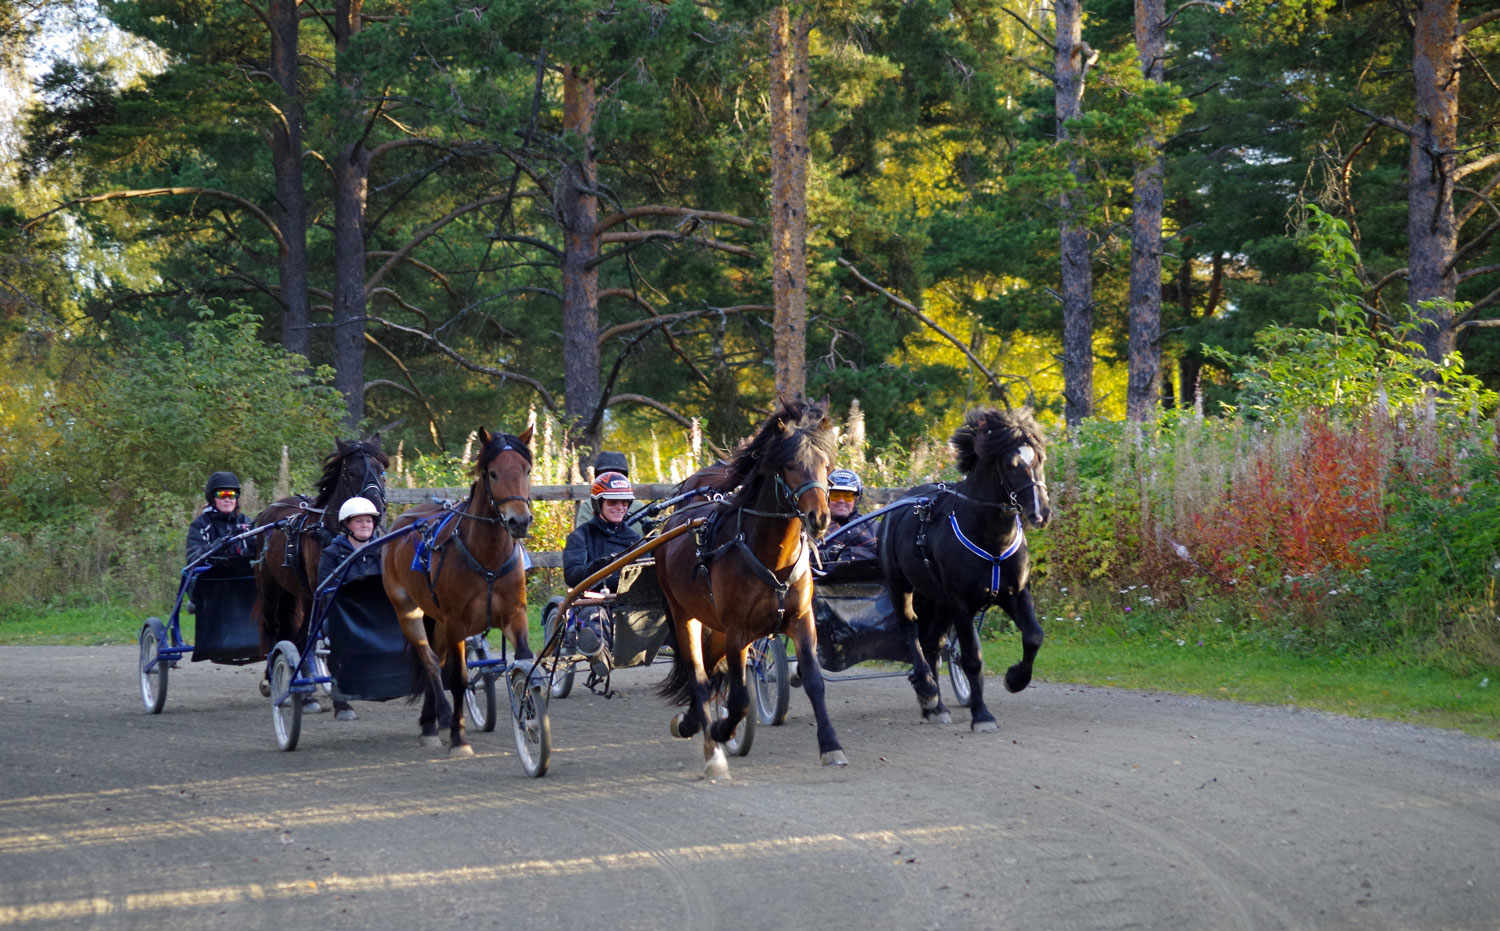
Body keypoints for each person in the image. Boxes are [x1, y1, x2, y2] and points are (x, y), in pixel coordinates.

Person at [561, 471, 642, 675]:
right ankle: (599, 655)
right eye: (613, 502)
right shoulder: (580, 537)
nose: (620, 507)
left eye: (625, 502)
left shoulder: (634, 539)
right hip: (593, 601)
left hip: (629, 602)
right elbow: (572, 575)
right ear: (598, 504)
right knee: (598, 616)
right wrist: (600, 566)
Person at [186, 471, 253, 567]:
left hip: (243, 576)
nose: (227, 500)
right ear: (212, 498)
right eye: (221, 495)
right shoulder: (201, 524)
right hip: (212, 577)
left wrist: (255, 547)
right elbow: (192, 559)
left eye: (232, 495)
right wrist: (218, 545)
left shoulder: (245, 522)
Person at [317, 496, 383, 587]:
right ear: (346, 524)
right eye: (358, 521)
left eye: (368, 521)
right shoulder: (332, 554)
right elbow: (327, 592)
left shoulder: (382, 552)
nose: (365, 525)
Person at [819, 468, 878, 563]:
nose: (841, 501)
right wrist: (825, 555)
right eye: (835, 495)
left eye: (847, 496)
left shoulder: (873, 526)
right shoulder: (815, 527)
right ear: (827, 498)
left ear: (856, 499)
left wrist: (845, 554)